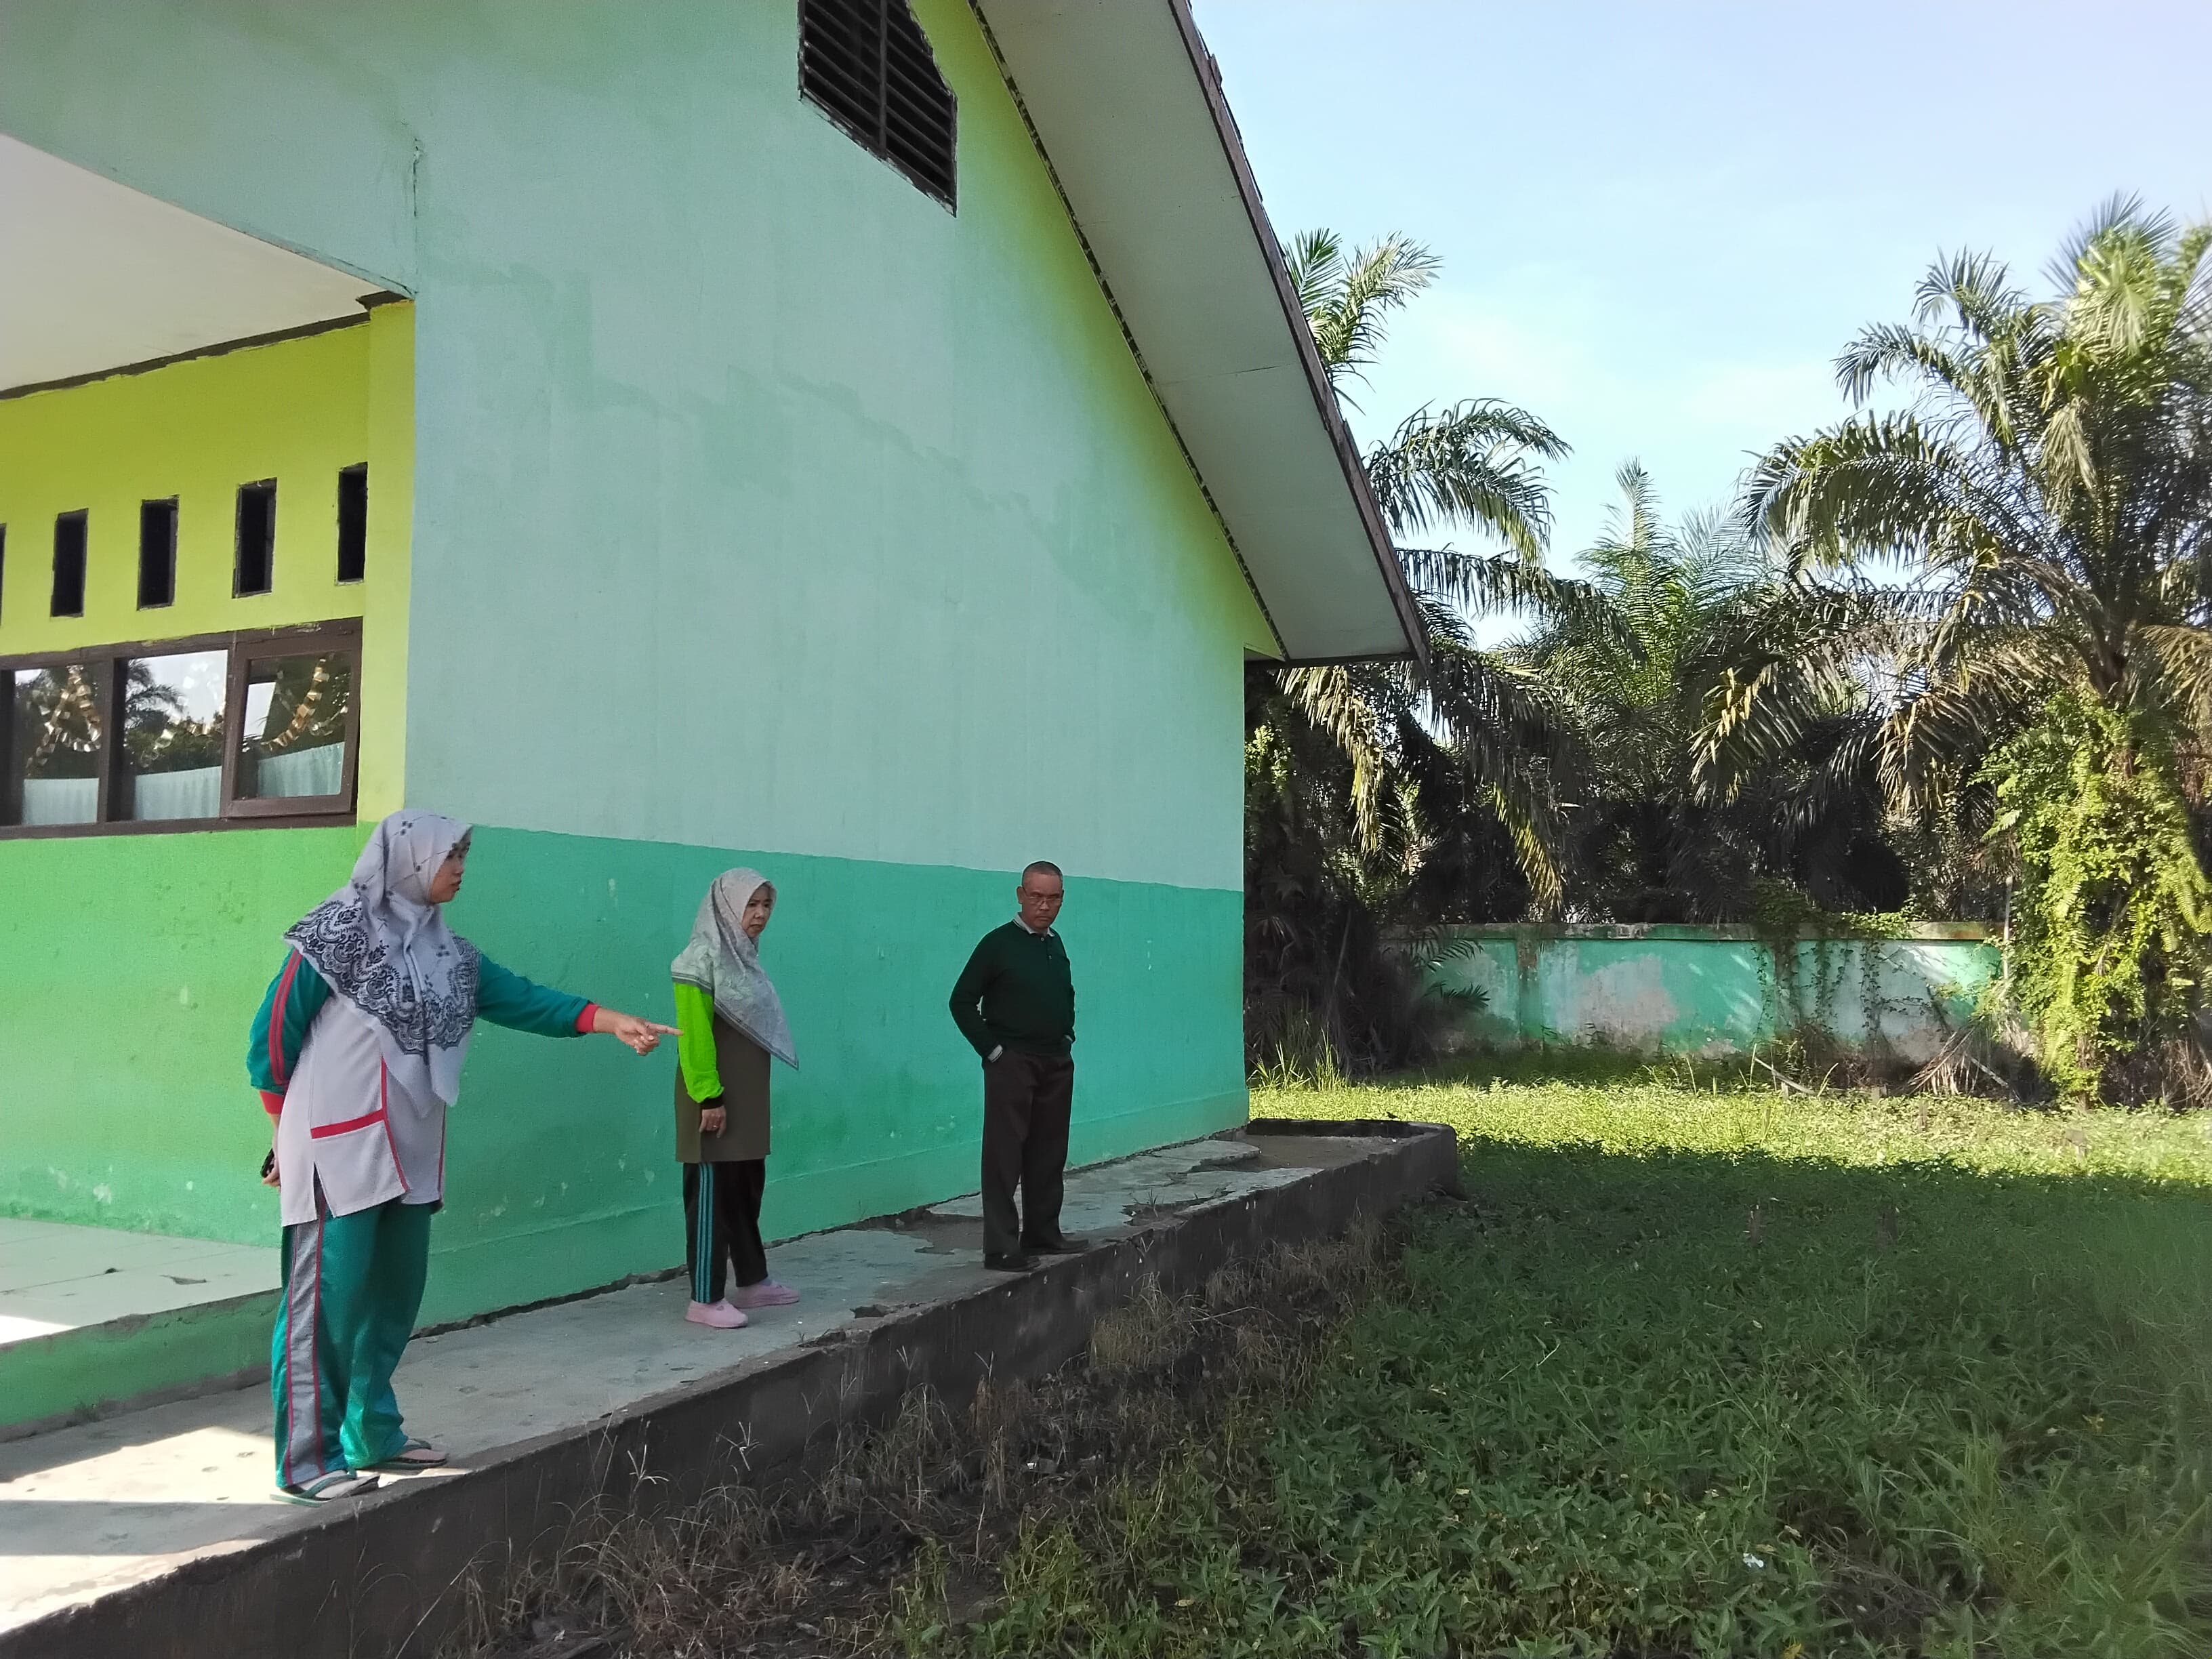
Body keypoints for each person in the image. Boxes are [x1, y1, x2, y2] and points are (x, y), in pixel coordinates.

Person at [247, 811, 675, 1504]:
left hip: (410, 1154)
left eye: (464, 855)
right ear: (411, 859)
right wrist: (282, 1136)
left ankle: (372, 1432)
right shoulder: (334, 935)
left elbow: (523, 999)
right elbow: (270, 1040)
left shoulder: (449, 955)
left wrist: (607, 1020)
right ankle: (305, 1462)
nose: (461, 868)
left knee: (390, 1298)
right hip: (337, 1150)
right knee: (325, 1304)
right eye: (453, 855)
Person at [670, 868, 800, 1328]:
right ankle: (704, 1298)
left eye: (767, 905)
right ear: (725, 907)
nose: (760, 914)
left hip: (745, 1098)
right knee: (710, 1194)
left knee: (746, 1188)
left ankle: (752, 1281)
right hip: (714, 1100)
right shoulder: (697, 960)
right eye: (751, 904)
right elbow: (694, 1037)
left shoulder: (744, 958)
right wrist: (709, 1097)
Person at [949, 861, 1084, 1271]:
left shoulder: (1055, 943)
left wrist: (1066, 1037)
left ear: (1062, 899)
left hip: (1055, 1061)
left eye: (1053, 898)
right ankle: (1002, 1247)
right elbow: (961, 1001)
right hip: (1012, 1063)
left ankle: (1042, 1232)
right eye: (1037, 897)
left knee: (1049, 1151)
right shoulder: (997, 944)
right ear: (1021, 895)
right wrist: (992, 1052)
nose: (1044, 906)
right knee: (1005, 1155)